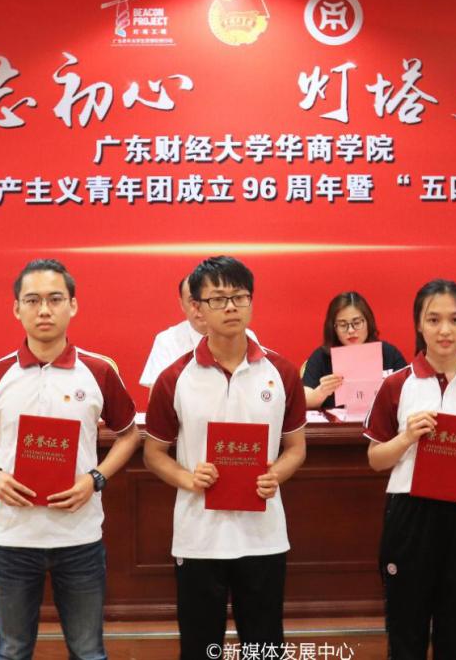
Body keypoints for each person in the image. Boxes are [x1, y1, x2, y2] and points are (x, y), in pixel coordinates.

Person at [0, 258, 141, 660]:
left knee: (88, 651)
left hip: (80, 536)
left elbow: (129, 435)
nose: (44, 310)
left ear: (73, 305)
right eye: (32, 300)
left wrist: (96, 478)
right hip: (13, 536)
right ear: (16, 308)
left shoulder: (98, 371)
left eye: (55, 299)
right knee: (12, 651)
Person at [144, 256, 306, 660]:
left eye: (239, 297)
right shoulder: (174, 377)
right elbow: (153, 454)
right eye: (218, 299)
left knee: (264, 647)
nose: (231, 307)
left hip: (263, 534)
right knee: (201, 647)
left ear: (251, 302)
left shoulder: (282, 372)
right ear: (197, 308)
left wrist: (276, 474)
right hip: (199, 535)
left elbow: (296, 448)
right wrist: (188, 478)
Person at [364, 279, 456, 660]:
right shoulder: (398, 384)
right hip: (410, 517)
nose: (445, 330)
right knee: (406, 634)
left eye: (455, 319)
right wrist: (406, 438)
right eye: (434, 320)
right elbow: (376, 458)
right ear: (419, 324)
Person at [138, 275, 259, 388]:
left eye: (209, 300)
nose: (201, 308)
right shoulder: (167, 340)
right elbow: (158, 395)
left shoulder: (245, 336)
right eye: (193, 302)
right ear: (182, 304)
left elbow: (256, 386)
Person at [302, 291, 408, 409]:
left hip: (380, 420)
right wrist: (321, 392)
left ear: (368, 322)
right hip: (336, 421)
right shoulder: (322, 356)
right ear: (333, 328)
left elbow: (410, 393)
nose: (351, 330)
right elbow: (303, 401)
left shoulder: (388, 353)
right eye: (343, 325)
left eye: (357, 323)